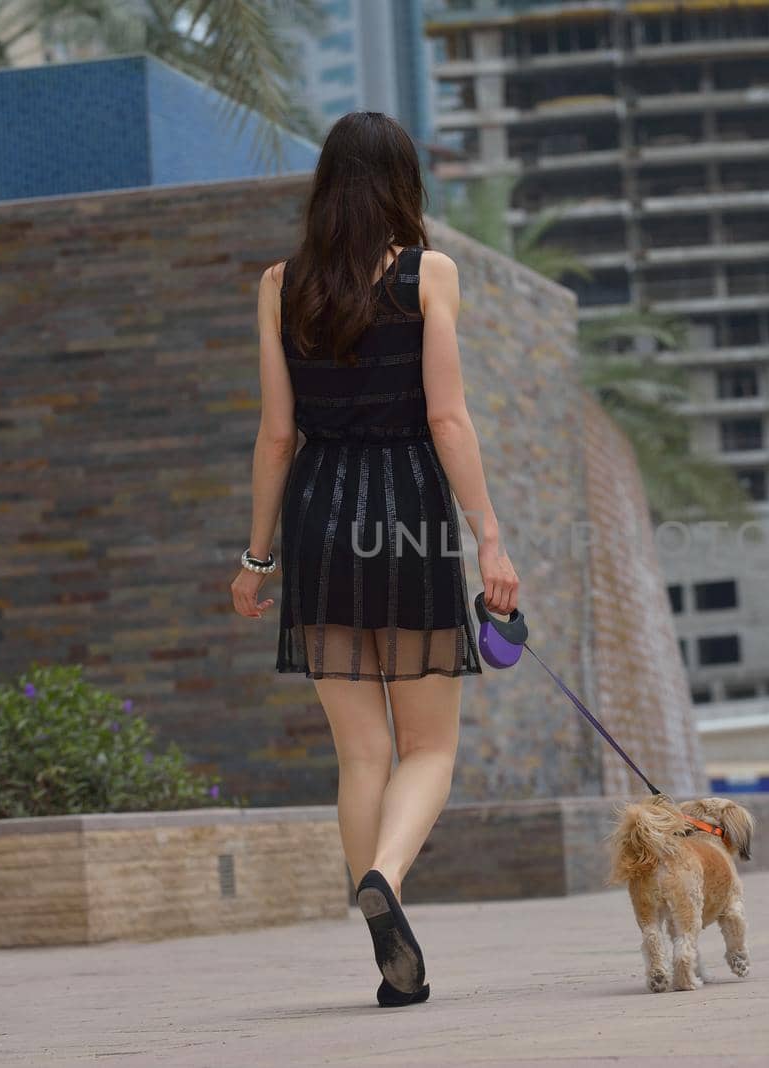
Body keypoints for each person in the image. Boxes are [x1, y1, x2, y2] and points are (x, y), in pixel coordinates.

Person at [229, 111, 519, 1008]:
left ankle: (387, 953)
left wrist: (257, 559)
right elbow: (445, 419)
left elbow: (277, 436)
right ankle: (388, 876)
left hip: (320, 517)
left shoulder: (280, 286)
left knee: (362, 755)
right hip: (407, 514)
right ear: (403, 183)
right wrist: (490, 537)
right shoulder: (430, 273)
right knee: (429, 745)